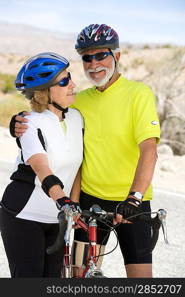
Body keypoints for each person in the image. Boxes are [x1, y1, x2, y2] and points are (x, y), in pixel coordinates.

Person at [9, 24, 160, 278]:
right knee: (79, 278)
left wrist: (135, 197)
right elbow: (47, 114)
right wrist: (18, 124)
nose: (93, 64)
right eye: (87, 58)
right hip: (91, 201)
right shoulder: (81, 101)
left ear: (117, 56)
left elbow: (149, 150)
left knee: (141, 281)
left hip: (132, 202)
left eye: (101, 55)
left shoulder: (139, 94)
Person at [0, 52, 83, 278]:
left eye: (70, 77)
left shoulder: (77, 119)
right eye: (64, 81)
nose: (73, 84)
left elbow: (78, 170)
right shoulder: (29, 122)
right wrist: (63, 200)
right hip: (24, 215)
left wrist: (73, 206)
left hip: (57, 218)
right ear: (46, 91)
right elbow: (41, 167)